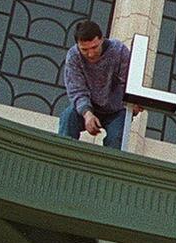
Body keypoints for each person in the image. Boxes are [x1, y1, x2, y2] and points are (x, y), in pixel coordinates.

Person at [59, 20, 141, 149]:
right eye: (84, 50)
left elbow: (129, 82)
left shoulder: (119, 51)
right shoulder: (74, 56)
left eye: (94, 47)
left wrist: (134, 103)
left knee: (116, 138)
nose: (90, 54)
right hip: (88, 105)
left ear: (102, 39)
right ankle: (61, 156)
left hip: (117, 110)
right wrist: (87, 113)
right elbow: (77, 89)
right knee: (68, 117)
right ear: (77, 45)